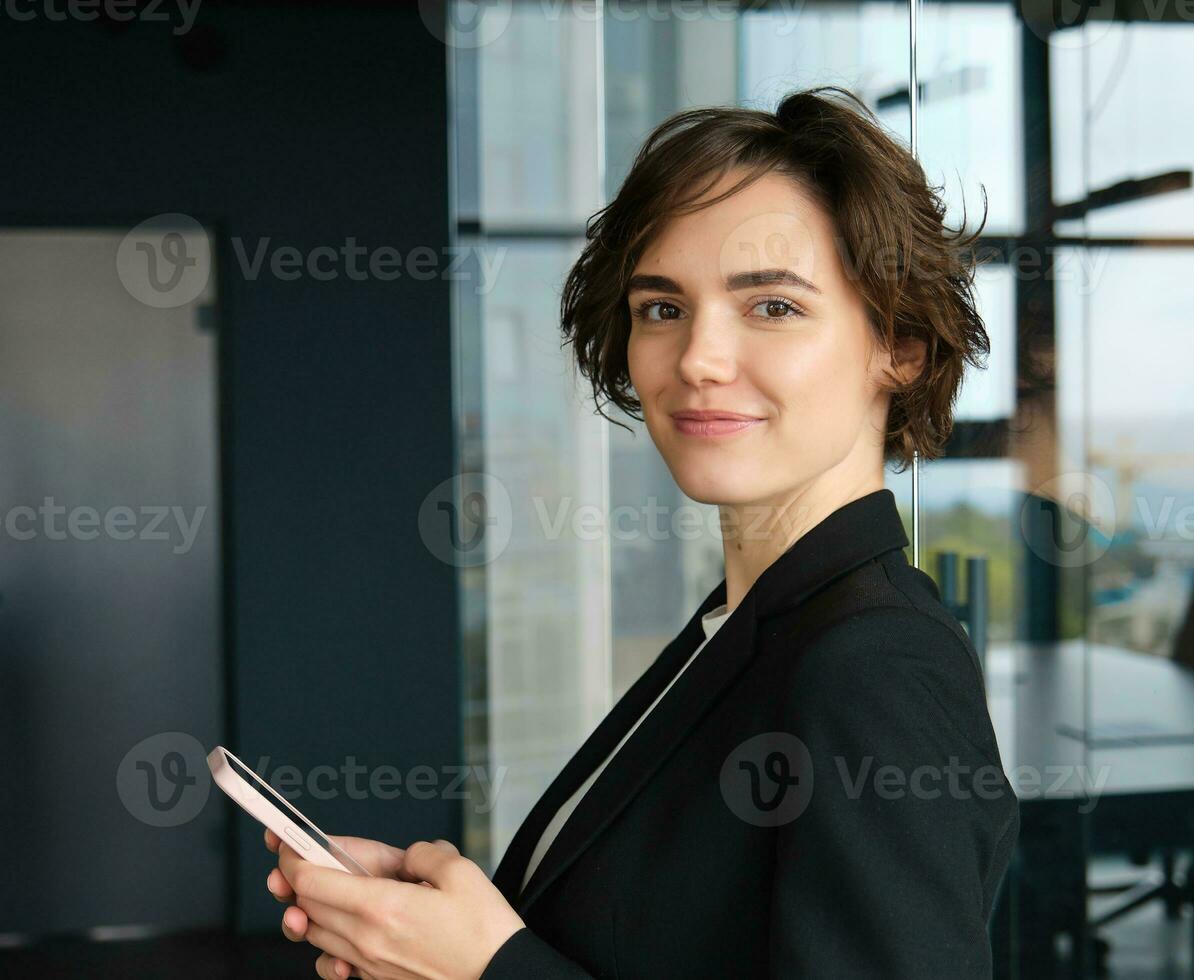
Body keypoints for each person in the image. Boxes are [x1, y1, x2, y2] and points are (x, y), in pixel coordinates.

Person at [262, 86, 1016, 979]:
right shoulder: (745, 627)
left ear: (900, 346)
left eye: (772, 306)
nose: (697, 358)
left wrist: (487, 971)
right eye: (662, 307)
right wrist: (438, 932)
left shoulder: (873, 672)